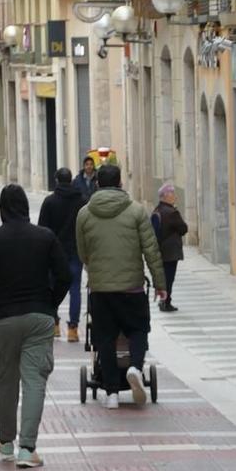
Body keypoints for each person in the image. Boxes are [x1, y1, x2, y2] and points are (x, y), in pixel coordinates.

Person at [0, 184, 70, 467]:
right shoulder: (45, 237)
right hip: (39, 317)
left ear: (2, 207)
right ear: (26, 206)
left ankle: (5, 442)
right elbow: (64, 275)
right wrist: (50, 303)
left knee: (5, 380)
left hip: (4, 318)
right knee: (34, 380)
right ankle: (27, 449)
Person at [76, 163, 164, 408]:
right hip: (132, 287)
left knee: (104, 337)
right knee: (137, 330)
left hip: (101, 289)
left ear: (97, 184)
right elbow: (151, 250)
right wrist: (160, 283)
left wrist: (96, 269)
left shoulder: (84, 214)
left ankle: (112, 392)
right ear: (120, 184)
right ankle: (135, 367)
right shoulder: (136, 211)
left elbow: (83, 253)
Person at [38, 168, 86, 343]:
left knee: (52, 288)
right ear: (71, 180)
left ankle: (55, 325)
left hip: (54, 253)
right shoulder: (81, 201)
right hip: (75, 251)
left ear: (56, 180)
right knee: (75, 290)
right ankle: (73, 329)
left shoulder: (49, 202)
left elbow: (42, 229)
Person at [151, 184, 187, 313]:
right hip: (171, 251)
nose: (175, 196)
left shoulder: (156, 210)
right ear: (165, 196)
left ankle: (163, 300)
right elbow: (184, 229)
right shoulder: (172, 212)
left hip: (160, 249)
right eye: (172, 194)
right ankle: (166, 302)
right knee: (169, 278)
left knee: (163, 277)